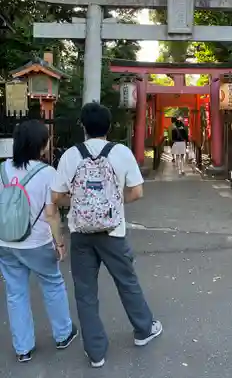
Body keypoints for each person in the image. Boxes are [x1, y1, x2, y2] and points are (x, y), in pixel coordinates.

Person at [51, 103, 162, 368]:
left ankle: (96, 352)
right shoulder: (121, 152)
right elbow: (136, 192)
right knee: (127, 281)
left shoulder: (70, 156)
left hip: (80, 234)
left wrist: (81, 202)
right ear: (109, 127)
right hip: (113, 232)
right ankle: (144, 330)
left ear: (83, 126)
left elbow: (56, 197)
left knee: (86, 292)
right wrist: (111, 202)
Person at [0, 120, 77, 363]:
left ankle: (23, 348)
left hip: (6, 242)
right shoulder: (47, 174)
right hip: (37, 243)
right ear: (42, 146)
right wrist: (60, 242)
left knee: (15, 293)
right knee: (52, 284)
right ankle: (63, 334)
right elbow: (51, 212)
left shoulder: (3, 170)